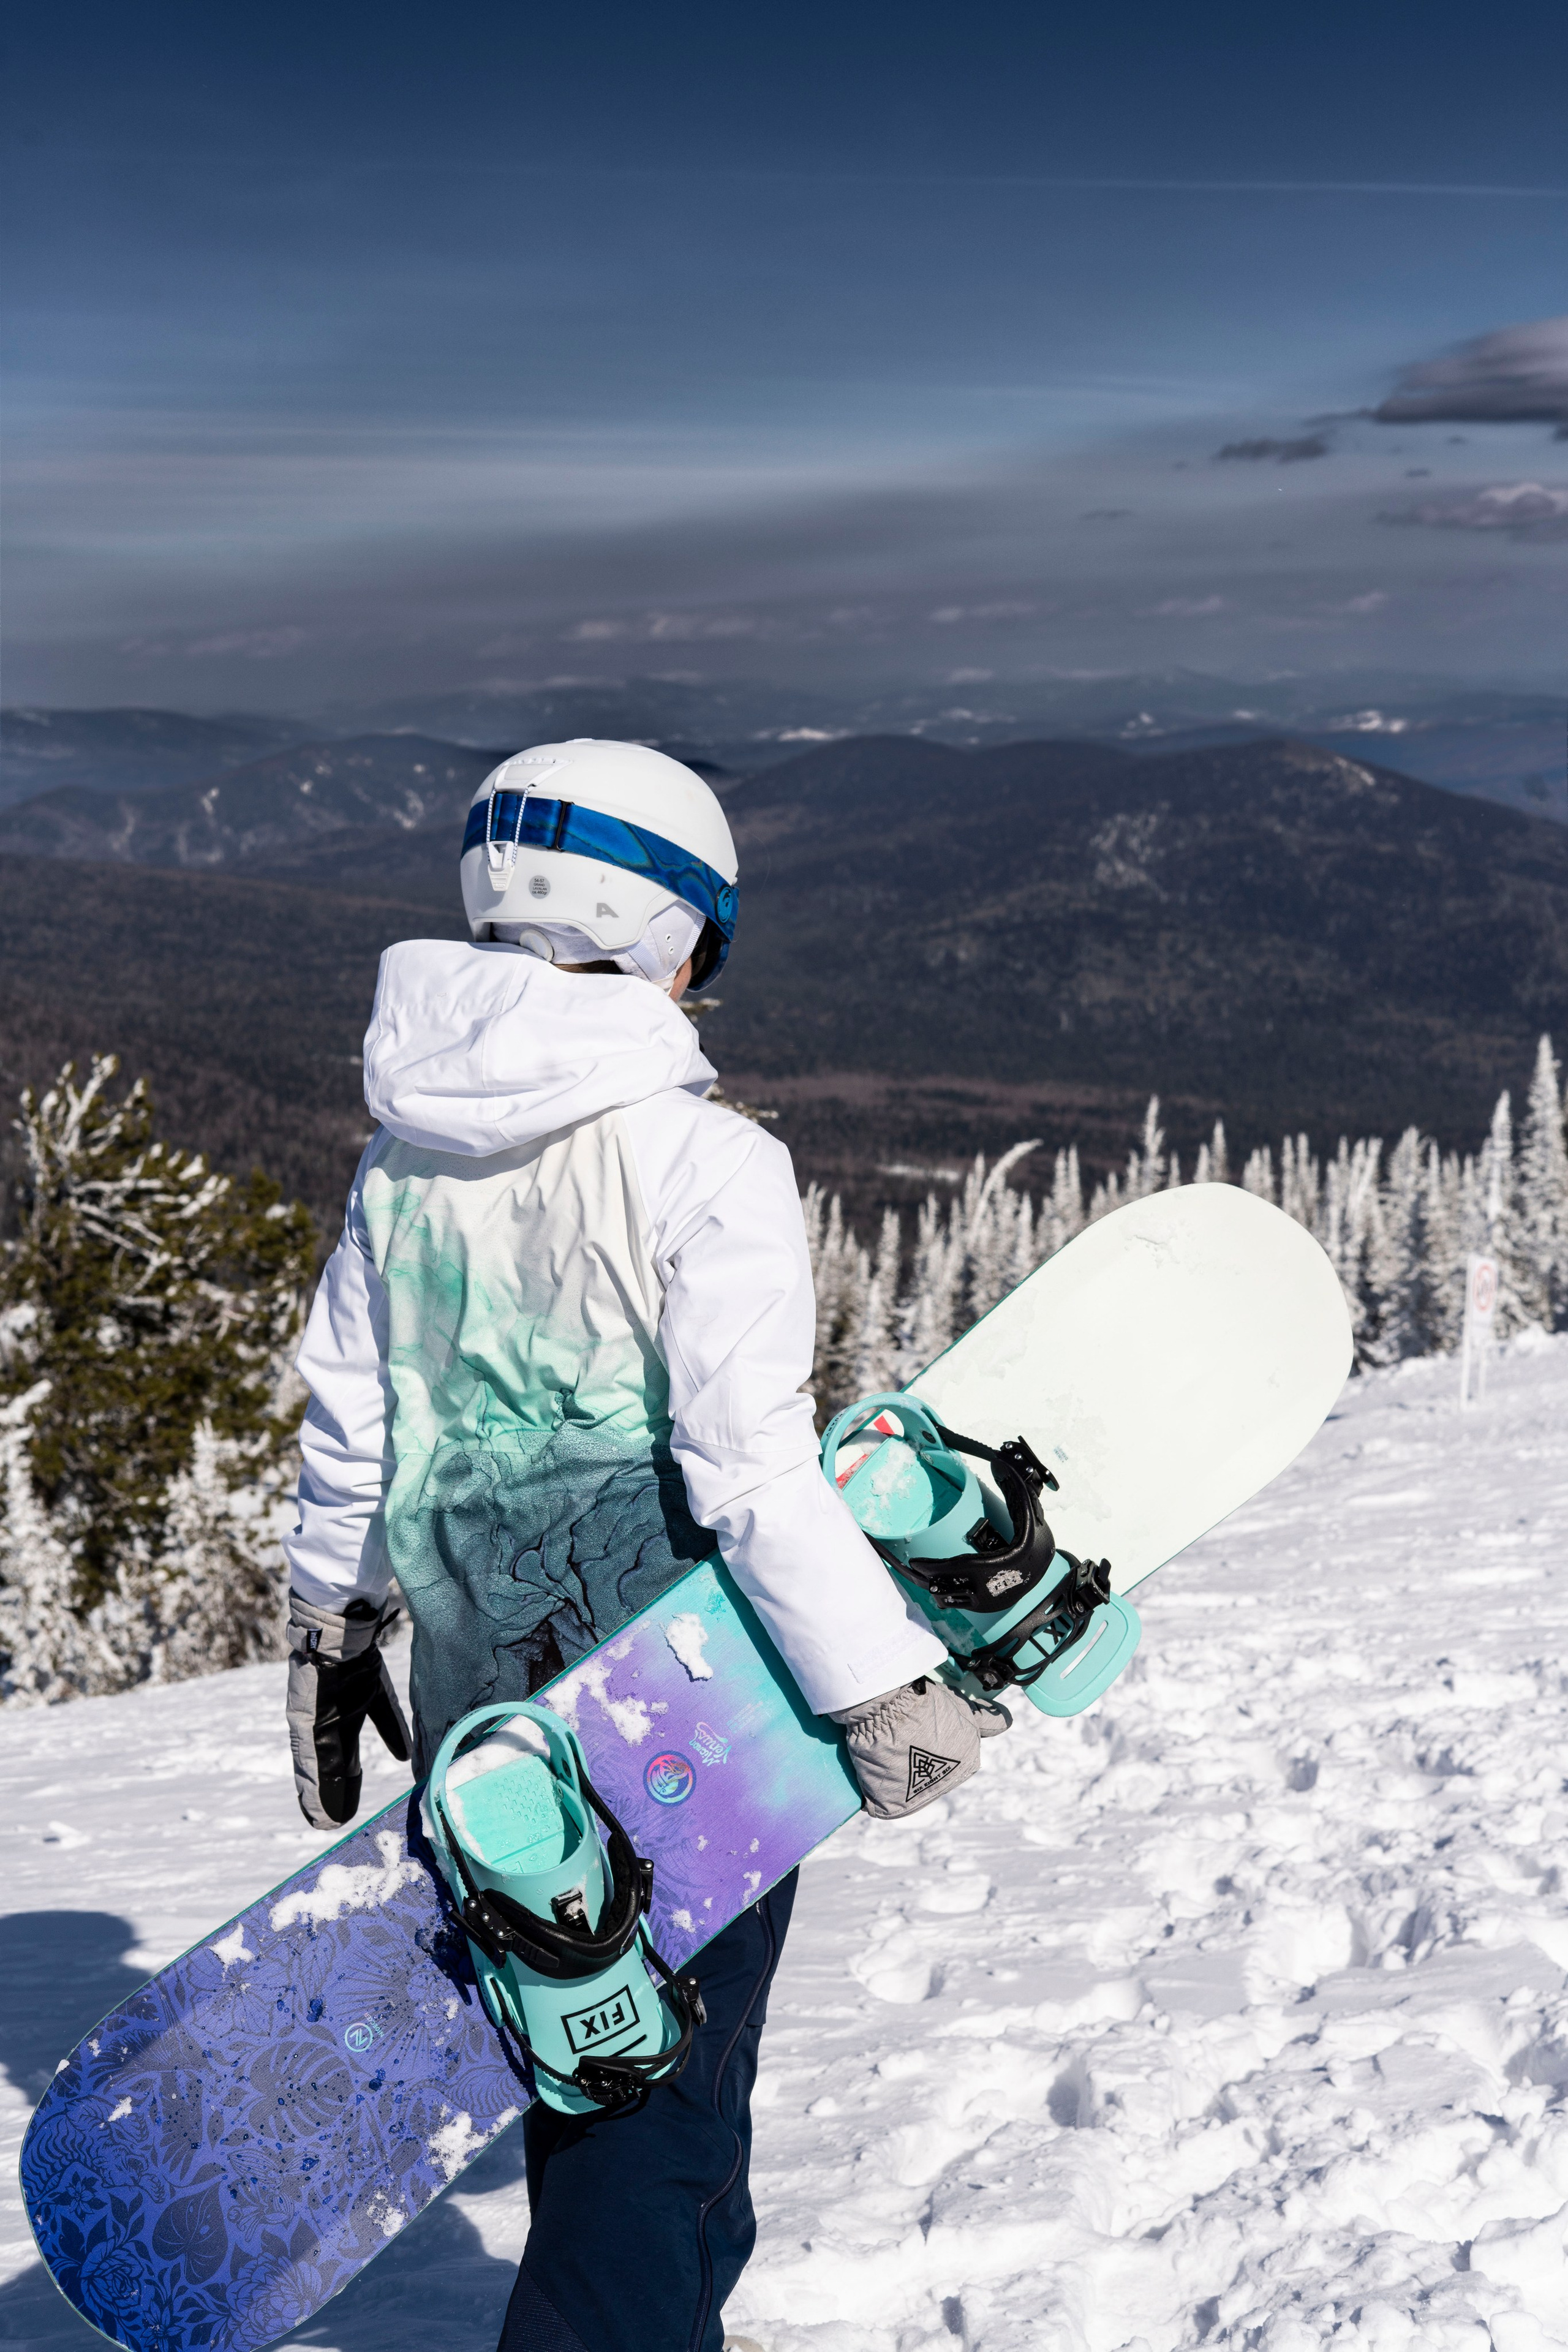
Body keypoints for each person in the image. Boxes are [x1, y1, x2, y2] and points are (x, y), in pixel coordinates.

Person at [281, 739, 1003, 2352]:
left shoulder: (398, 1166)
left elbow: (351, 1433)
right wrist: (882, 1688)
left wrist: (336, 1633)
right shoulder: (709, 1161)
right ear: (664, 928)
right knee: (653, 2120)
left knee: (604, 2063)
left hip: (482, 1704)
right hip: (681, 1698)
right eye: (709, 950)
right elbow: (743, 1467)